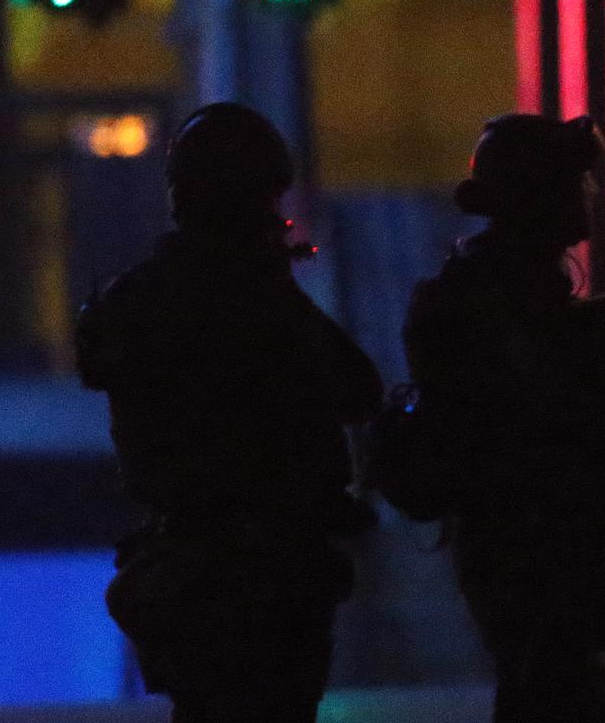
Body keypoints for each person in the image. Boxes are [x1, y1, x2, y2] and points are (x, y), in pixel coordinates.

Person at [401, 114, 605, 723]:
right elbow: (567, 399)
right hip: (530, 539)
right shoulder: (494, 299)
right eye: (570, 184)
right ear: (536, 195)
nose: (585, 199)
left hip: (534, 537)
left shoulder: (504, 291)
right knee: (562, 699)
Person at [76, 103, 382, 723]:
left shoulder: (136, 299)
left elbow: (102, 364)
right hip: (273, 576)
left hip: (187, 572)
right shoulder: (262, 303)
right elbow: (358, 389)